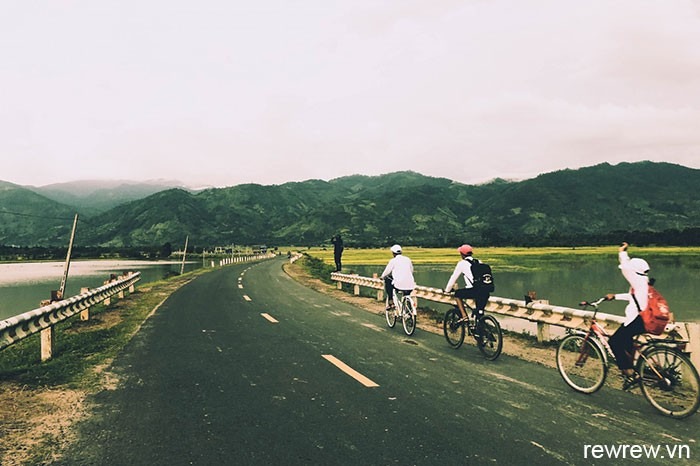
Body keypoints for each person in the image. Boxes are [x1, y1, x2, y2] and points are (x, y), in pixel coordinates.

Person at [605, 242, 649, 389]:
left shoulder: (637, 279)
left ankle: (629, 373)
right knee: (625, 341)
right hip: (642, 319)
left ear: (635, 270)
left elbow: (625, 268)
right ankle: (632, 370)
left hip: (637, 320)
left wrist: (622, 252)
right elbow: (633, 296)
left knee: (614, 342)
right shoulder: (644, 282)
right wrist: (615, 296)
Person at [444, 244, 489, 322]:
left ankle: (464, 316)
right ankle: (481, 329)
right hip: (485, 291)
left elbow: (453, 278)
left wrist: (447, 290)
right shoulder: (479, 262)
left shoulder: (462, 263)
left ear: (462, 254)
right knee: (480, 313)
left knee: (457, 294)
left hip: (474, 291)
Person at [380, 244, 416, 312]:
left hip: (398, 284)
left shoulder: (393, 261)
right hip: (410, 285)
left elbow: (387, 271)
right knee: (406, 294)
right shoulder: (408, 259)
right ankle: (408, 310)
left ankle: (391, 302)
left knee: (388, 280)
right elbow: (411, 270)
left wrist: (382, 277)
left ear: (393, 253)